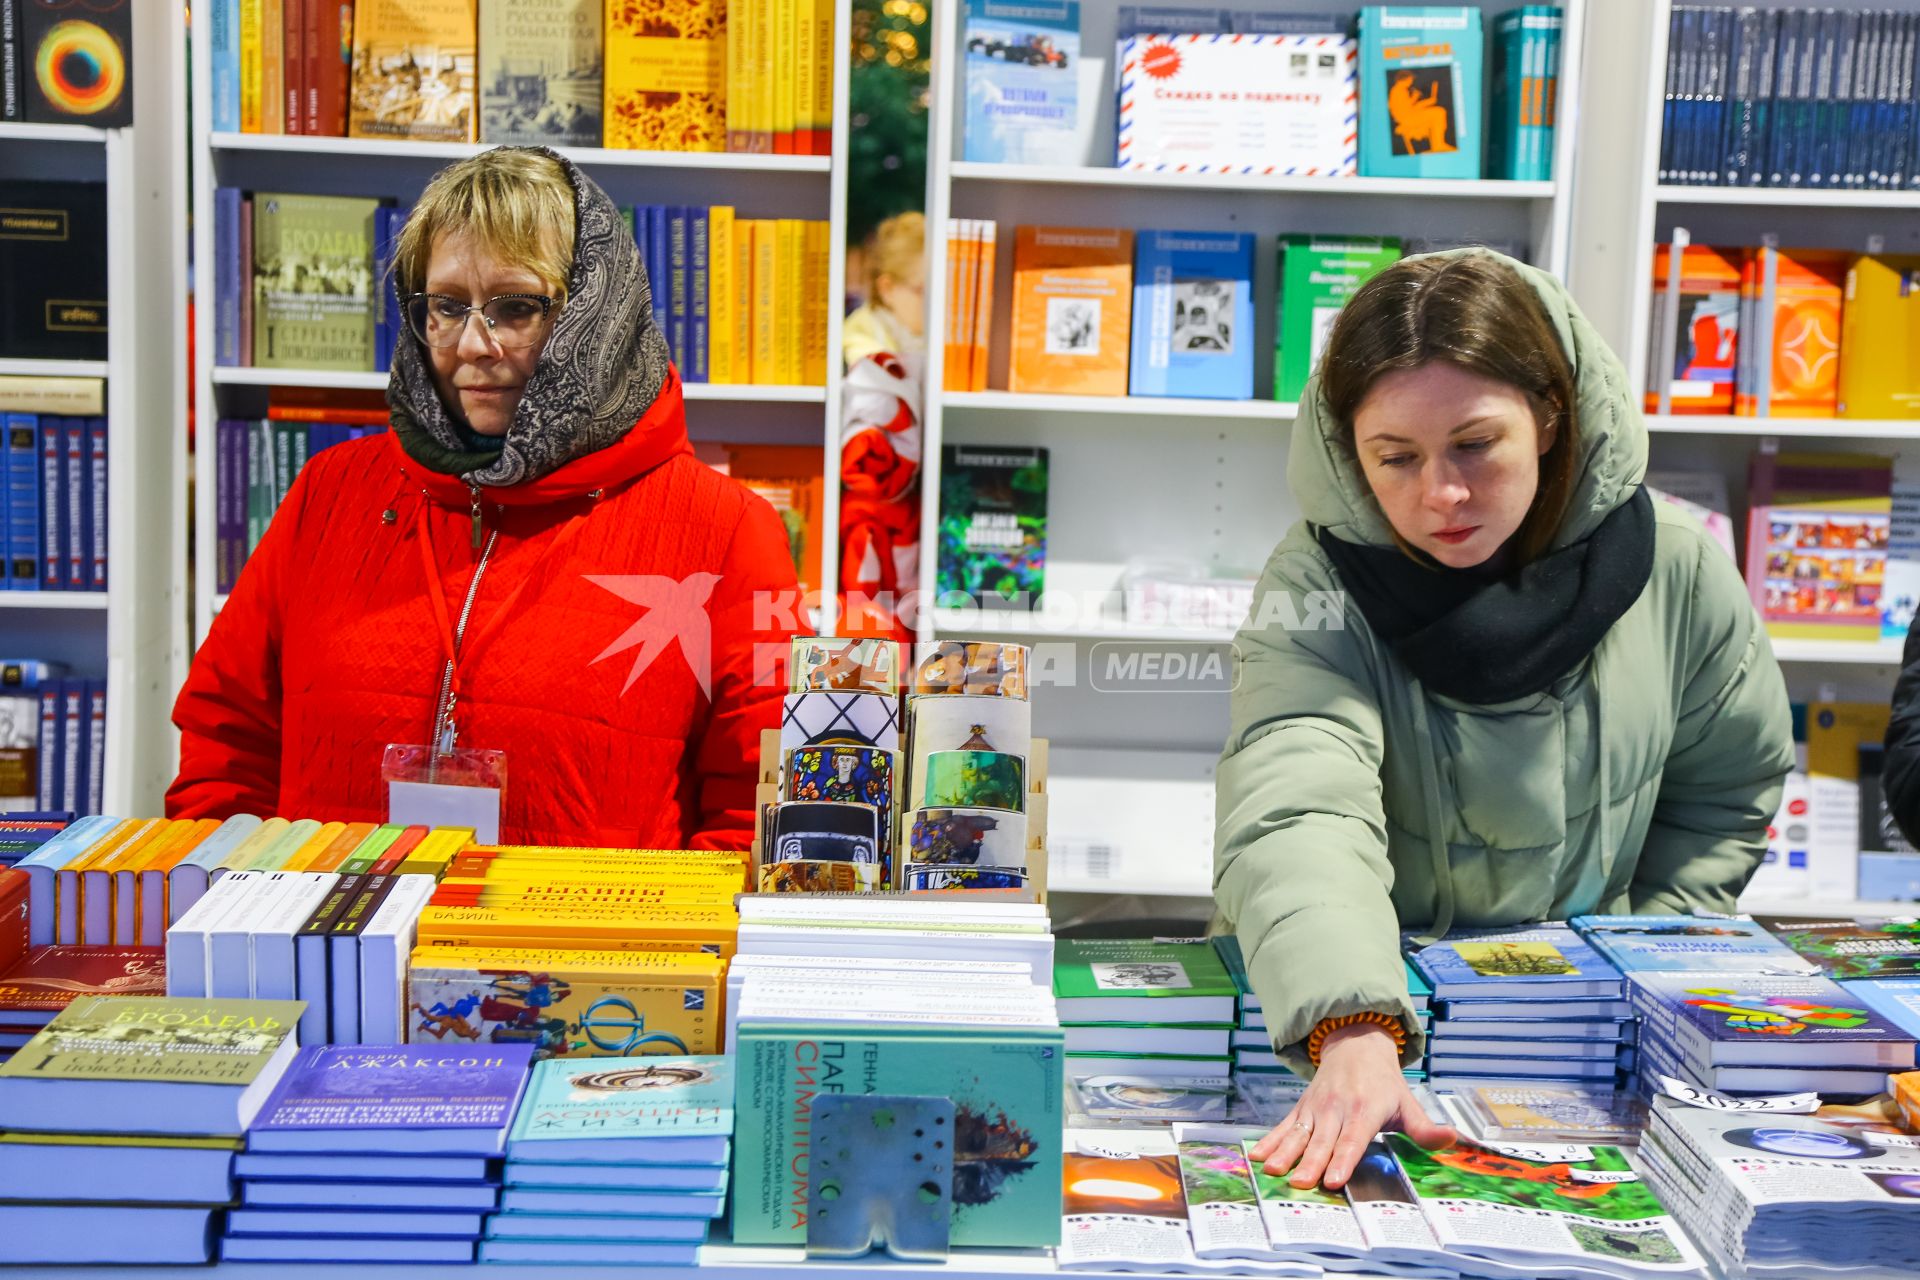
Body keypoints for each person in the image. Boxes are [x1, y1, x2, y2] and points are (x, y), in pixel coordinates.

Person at [1213, 250, 1792, 1192]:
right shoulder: (1316, 583)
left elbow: (1722, 798)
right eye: (1393, 458)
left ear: (1552, 418)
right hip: (1346, 1044)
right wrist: (1353, 1020)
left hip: (1586, 1051)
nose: (1440, 494)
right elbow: (1298, 801)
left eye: (1476, 445)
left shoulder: (1678, 568)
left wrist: (1629, 988)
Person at [168, 147, 799, 848]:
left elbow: (757, 812)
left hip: (584, 953)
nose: (473, 343)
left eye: (516, 308)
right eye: (446, 306)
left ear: (599, 312)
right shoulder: (330, 490)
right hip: (331, 949)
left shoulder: (724, 528)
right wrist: (241, 898)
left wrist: (649, 946)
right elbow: (227, 742)